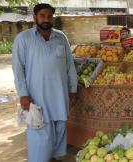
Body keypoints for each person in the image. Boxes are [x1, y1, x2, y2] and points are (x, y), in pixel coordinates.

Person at [12, 3, 77, 162]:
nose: (46, 19)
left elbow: (69, 65)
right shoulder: (23, 39)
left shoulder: (61, 37)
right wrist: (23, 95)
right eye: (42, 16)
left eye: (49, 16)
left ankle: (54, 158)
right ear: (35, 17)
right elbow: (18, 69)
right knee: (40, 133)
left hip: (59, 95)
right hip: (37, 96)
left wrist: (73, 89)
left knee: (59, 128)